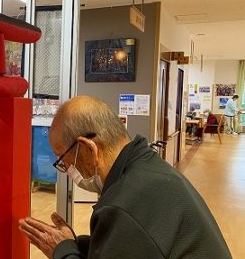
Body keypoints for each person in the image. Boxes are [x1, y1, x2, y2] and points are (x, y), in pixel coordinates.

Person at [19, 96, 231, 259]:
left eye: (62, 158)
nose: (65, 167)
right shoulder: (146, 168)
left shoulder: (126, 202)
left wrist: (62, 251)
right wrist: (76, 244)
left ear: (88, 149)